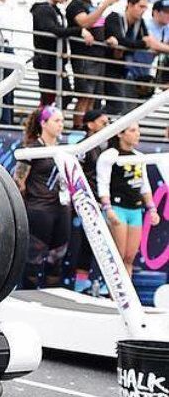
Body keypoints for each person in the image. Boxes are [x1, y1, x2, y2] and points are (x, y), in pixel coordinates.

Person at [14, 106, 70, 289]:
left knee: (57, 258)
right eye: (56, 121)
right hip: (39, 210)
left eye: (62, 121)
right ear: (43, 123)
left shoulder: (64, 150)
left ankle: (51, 294)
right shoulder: (32, 149)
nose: (61, 125)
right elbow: (18, 181)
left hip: (61, 209)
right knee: (33, 260)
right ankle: (28, 296)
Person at [96, 126, 161, 278]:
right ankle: (114, 295)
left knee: (129, 257)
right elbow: (103, 183)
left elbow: (144, 185)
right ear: (120, 133)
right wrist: (108, 208)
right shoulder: (110, 155)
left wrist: (152, 209)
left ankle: (128, 294)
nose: (137, 134)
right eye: (132, 131)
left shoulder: (139, 156)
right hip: (118, 208)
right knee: (118, 255)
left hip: (135, 209)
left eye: (138, 130)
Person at [65, 0, 121, 128]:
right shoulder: (75, 5)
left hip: (98, 56)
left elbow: (97, 27)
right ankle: (77, 130)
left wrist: (109, 39)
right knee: (84, 97)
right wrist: (105, 4)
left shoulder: (93, 5)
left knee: (92, 99)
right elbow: (85, 22)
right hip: (84, 57)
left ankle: (87, 128)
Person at [30, 0, 92, 108]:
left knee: (61, 95)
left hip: (57, 60)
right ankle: (42, 120)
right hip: (47, 60)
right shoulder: (42, 9)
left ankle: (45, 119)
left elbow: (60, 30)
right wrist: (79, 31)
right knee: (51, 96)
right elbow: (54, 30)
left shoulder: (57, 10)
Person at [66, 108, 109, 295]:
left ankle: (98, 284)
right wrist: (88, 200)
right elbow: (77, 178)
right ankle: (80, 284)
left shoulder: (106, 147)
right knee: (84, 243)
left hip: (103, 203)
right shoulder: (82, 148)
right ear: (90, 125)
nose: (107, 127)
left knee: (101, 245)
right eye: (103, 123)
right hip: (86, 204)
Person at [101, 0, 151, 115]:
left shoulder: (140, 23)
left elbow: (146, 41)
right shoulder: (114, 17)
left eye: (145, 8)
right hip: (106, 66)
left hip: (122, 69)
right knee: (115, 105)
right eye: (141, 6)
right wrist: (140, 44)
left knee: (121, 105)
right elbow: (121, 39)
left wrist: (133, 44)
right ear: (130, 5)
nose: (143, 11)